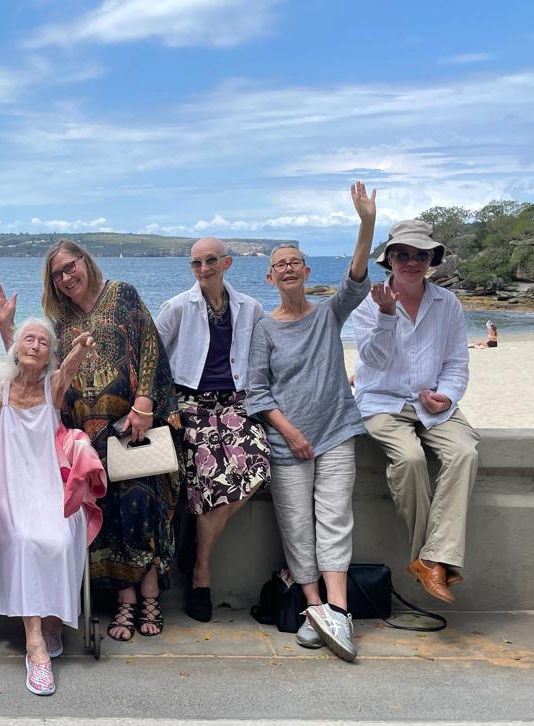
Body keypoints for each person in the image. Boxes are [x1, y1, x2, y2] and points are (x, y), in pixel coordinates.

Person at [0, 239, 178, 642]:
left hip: (131, 425)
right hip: (84, 435)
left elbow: (149, 347)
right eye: (58, 274)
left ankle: (151, 593)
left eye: (71, 267)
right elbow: (27, 369)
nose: (67, 277)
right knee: (104, 514)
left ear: (85, 263)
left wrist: (143, 404)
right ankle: (125, 600)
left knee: (140, 501)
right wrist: (6, 325)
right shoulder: (59, 321)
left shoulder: (123, 294)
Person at [246, 182, 376, 662]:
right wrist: (292, 433)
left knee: (334, 520)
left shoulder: (328, 316)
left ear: (305, 271)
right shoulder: (264, 328)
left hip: (337, 432)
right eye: (279, 264)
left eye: (294, 262)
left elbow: (357, 280)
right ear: (270, 278)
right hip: (287, 444)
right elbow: (256, 392)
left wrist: (366, 223)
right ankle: (314, 607)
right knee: (297, 526)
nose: (287, 268)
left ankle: (338, 613)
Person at [0, 318, 104, 695]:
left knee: (58, 536)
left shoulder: (52, 386)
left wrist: (81, 349)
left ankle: (52, 623)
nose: (35, 345)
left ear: (50, 352)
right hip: (10, 488)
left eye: (43, 342)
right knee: (23, 539)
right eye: (28, 339)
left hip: (49, 486)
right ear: (16, 347)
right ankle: (35, 645)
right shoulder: (1, 387)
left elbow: (69, 367)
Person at [353, 219, 479, 604]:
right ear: (389, 259)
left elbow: (457, 362)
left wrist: (447, 395)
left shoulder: (448, 304)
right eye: (402, 254)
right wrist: (387, 316)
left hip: (432, 404)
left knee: (464, 453)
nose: (411, 261)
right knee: (408, 459)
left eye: (420, 255)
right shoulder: (367, 304)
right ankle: (434, 559)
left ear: (431, 259)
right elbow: (372, 360)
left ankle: (431, 559)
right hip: (382, 402)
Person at [155, 237, 270, 622]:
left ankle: (196, 553)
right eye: (196, 263)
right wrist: (163, 407)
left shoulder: (250, 308)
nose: (203, 269)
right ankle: (201, 576)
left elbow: (264, 359)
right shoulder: (176, 308)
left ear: (227, 263)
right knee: (210, 482)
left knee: (258, 467)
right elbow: (153, 358)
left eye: (210, 261)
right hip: (190, 405)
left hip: (236, 403)